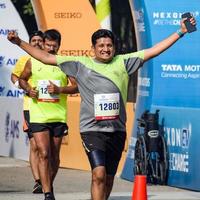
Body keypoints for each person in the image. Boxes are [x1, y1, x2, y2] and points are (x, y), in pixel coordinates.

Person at [7, 16, 196, 200]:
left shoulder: (123, 62)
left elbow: (154, 51)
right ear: (93, 48)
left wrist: (181, 32)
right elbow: (46, 56)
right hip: (91, 130)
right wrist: (19, 42)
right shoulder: (81, 64)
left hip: (117, 130)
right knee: (98, 174)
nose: (105, 49)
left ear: (114, 47)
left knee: (108, 178)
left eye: (109, 46)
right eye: (101, 46)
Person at [18, 29, 78, 200]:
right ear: (43, 44)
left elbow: (76, 86)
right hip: (38, 114)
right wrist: (29, 90)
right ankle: (48, 193)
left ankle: (47, 184)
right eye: (48, 45)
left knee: (54, 156)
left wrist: (60, 90)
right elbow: (22, 79)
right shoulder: (32, 61)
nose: (51, 49)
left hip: (58, 116)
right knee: (43, 153)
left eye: (54, 46)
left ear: (59, 46)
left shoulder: (65, 63)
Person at [11, 30, 44, 194]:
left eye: (39, 40)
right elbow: (15, 76)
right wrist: (24, 89)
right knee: (34, 146)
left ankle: (46, 178)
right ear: (29, 43)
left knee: (45, 148)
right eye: (34, 40)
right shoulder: (25, 59)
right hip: (30, 107)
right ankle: (38, 181)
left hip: (48, 109)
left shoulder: (49, 59)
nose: (37, 43)